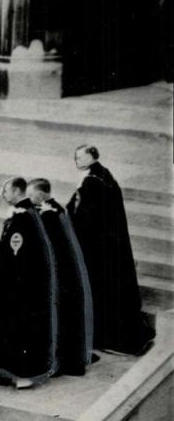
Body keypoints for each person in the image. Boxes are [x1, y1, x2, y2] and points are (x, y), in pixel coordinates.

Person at [67, 145, 156, 356]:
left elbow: (82, 217)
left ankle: (107, 338)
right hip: (108, 246)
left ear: (91, 157)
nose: (76, 161)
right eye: (75, 157)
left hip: (97, 249)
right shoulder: (103, 175)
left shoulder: (93, 182)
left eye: (80, 157)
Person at [0, 177, 60, 388]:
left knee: (21, 330)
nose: (3, 194)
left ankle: (23, 374)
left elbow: (21, 256)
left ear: (17, 191)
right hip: (9, 286)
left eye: (6, 190)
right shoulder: (20, 214)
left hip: (20, 289)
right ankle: (2, 371)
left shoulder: (25, 217)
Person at [30, 178, 96, 376]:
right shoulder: (56, 209)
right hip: (67, 274)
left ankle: (58, 362)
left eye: (32, 194)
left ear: (41, 194)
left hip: (59, 277)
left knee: (59, 320)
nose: (30, 198)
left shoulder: (49, 215)